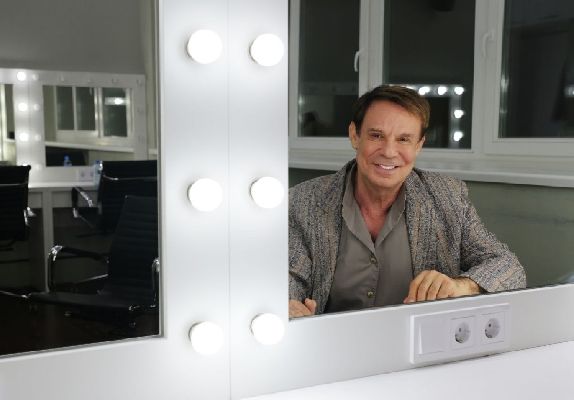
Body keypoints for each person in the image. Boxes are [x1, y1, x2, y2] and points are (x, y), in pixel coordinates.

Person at [289, 85, 526, 318]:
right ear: (354, 135)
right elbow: (289, 276)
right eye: (376, 136)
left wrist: (461, 286)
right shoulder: (302, 202)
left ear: (419, 145)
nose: (389, 152)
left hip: (422, 340)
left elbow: (509, 268)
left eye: (403, 139)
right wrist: (290, 304)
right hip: (333, 340)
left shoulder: (449, 197)